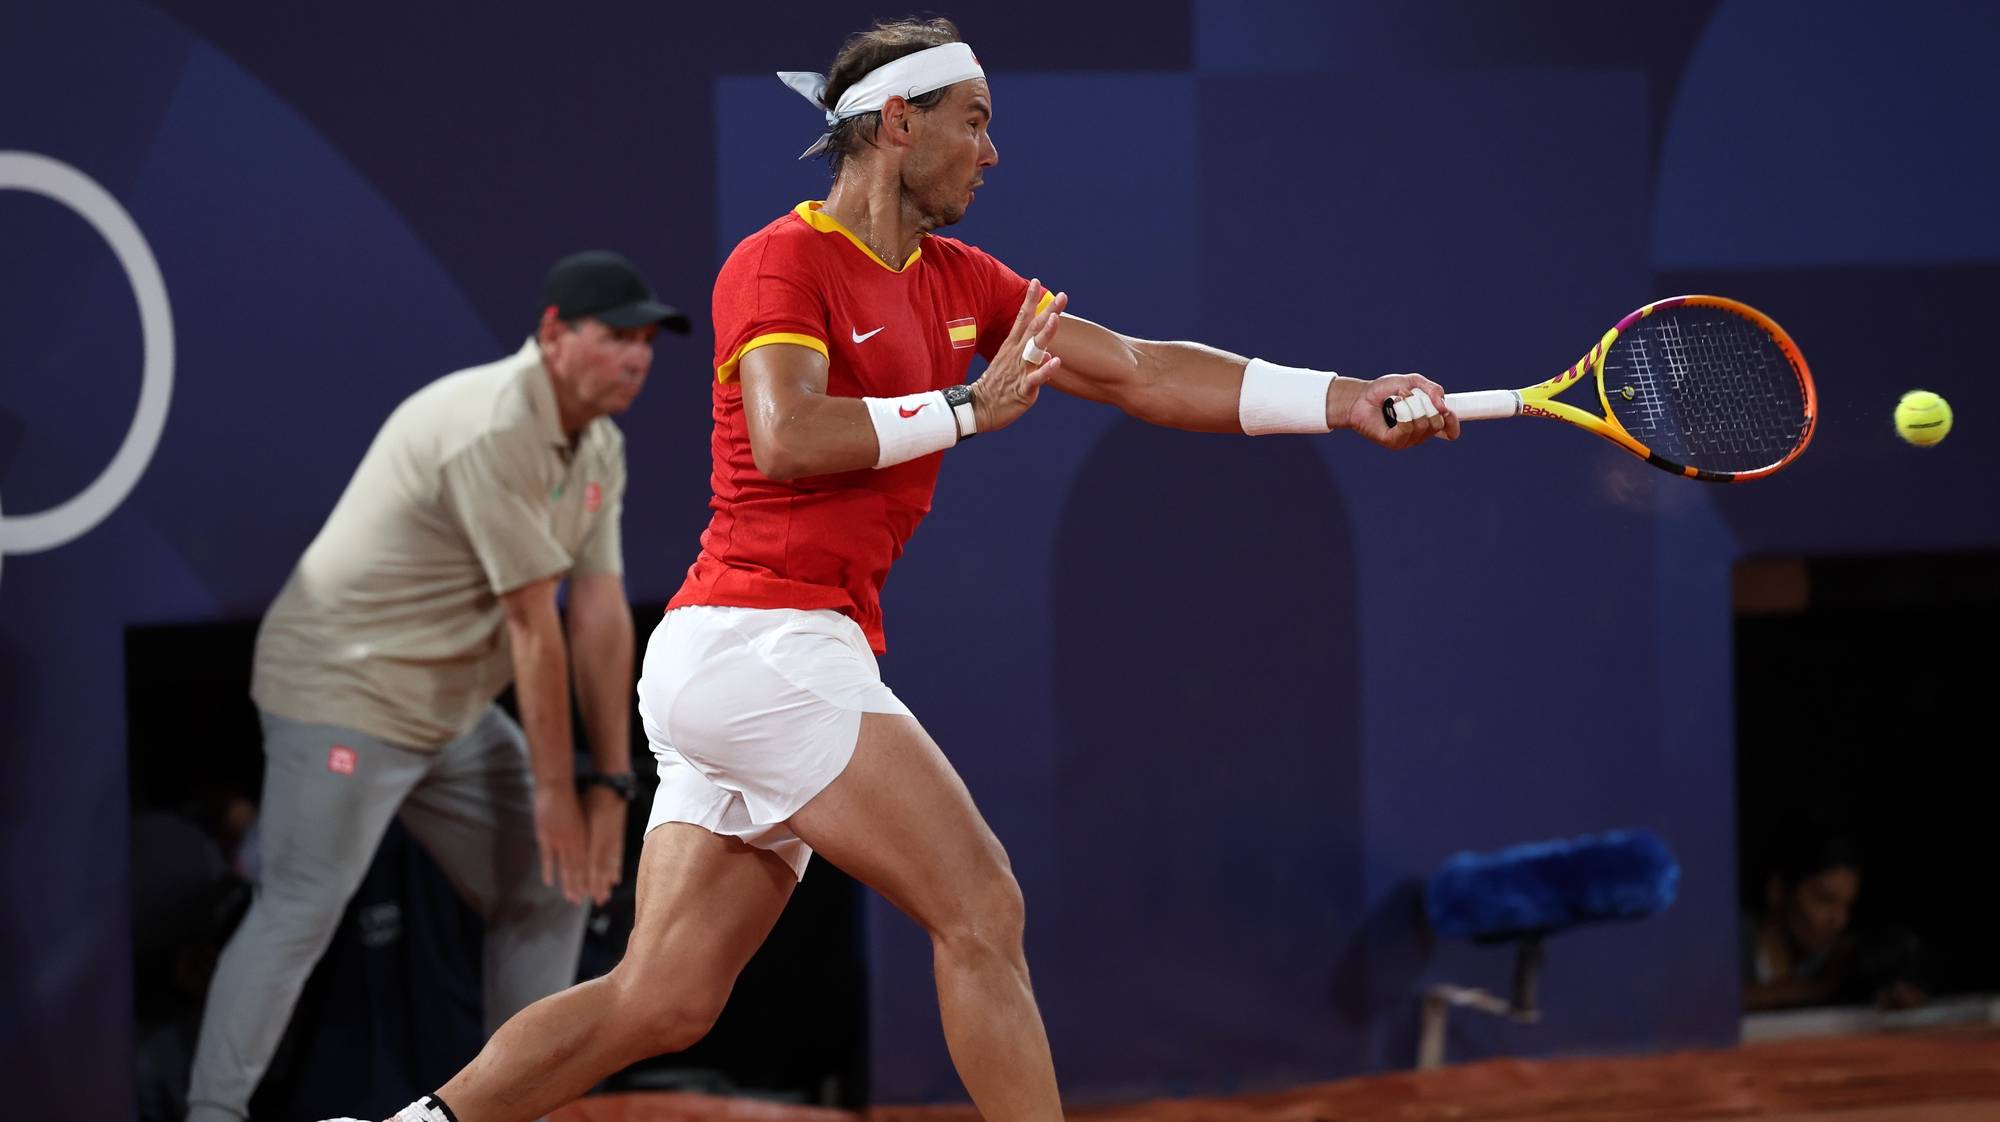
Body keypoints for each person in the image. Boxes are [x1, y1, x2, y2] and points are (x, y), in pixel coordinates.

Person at [344, 20, 1456, 1122]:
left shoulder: (957, 280)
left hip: (742, 657)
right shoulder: (778, 262)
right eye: (973, 121)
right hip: (759, 643)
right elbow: (786, 434)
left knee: (661, 999)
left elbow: (1134, 372)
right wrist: (967, 411)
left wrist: (1342, 397)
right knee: (980, 906)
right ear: (896, 123)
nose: (991, 150)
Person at [187, 251, 689, 1122]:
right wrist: (554, 791)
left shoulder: (598, 443)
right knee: (304, 903)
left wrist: (611, 784)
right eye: (617, 338)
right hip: (340, 690)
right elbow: (535, 626)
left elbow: (599, 616)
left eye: (647, 342)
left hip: (447, 706)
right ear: (554, 335)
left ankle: (501, 1106)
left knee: (553, 875)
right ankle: (211, 1116)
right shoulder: (492, 426)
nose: (638, 359)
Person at [1742, 831, 1925, 1012]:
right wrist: (1820, 988)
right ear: (1778, 890)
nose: (1840, 920)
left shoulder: (1832, 956)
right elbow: (1722, 1002)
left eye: (1847, 906)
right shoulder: (1731, 941)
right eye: (1824, 900)